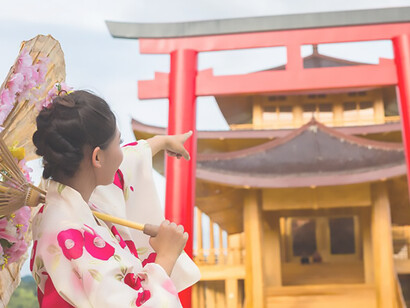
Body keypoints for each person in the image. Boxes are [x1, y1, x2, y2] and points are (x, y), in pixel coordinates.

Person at [30, 90, 198, 307]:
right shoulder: (72, 236)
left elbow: (121, 166)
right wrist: (165, 257)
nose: (121, 153)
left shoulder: (61, 201)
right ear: (97, 157)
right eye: (119, 142)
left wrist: (160, 142)